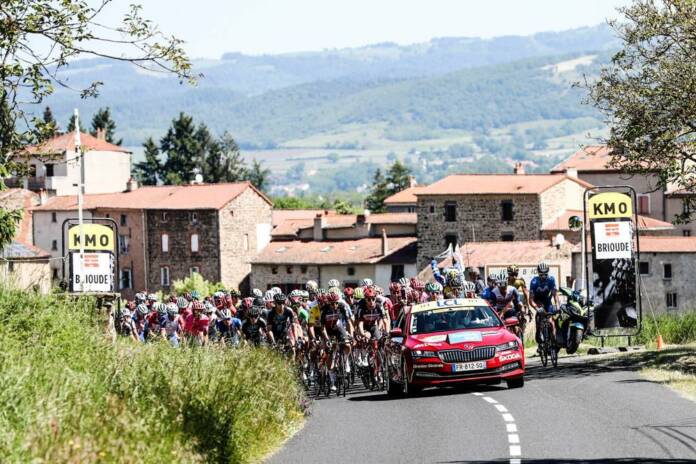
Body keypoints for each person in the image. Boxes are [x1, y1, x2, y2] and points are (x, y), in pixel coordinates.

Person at [321, 292, 354, 392]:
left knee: (347, 345)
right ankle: (332, 379)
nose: (334, 305)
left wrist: (351, 335)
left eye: (336, 303)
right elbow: (322, 328)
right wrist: (327, 339)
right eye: (332, 303)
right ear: (328, 303)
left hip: (339, 329)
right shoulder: (325, 310)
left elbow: (348, 322)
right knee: (331, 351)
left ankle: (345, 360)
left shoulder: (342, 307)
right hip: (328, 331)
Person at [529, 262, 560, 345]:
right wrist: (536, 308)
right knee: (540, 315)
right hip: (538, 301)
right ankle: (538, 332)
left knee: (551, 321)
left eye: (545, 274)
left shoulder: (551, 280)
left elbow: (555, 294)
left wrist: (557, 305)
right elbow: (531, 300)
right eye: (541, 275)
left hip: (547, 301)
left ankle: (554, 341)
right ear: (538, 274)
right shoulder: (534, 282)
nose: (543, 277)